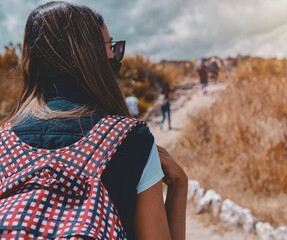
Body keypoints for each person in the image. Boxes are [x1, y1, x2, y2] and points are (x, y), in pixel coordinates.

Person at [0, 1, 187, 240]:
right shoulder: (130, 140)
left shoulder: (3, 142)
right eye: (111, 48)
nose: (115, 55)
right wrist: (179, 186)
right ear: (91, 58)